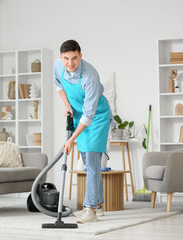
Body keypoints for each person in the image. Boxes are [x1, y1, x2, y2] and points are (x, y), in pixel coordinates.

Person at [53, 40, 112, 223]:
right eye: (66, 58)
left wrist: (71, 140)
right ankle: (98, 205)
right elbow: (58, 85)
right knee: (87, 161)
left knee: (92, 162)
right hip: (79, 114)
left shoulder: (90, 77)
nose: (70, 63)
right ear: (61, 57)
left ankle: (90, 210)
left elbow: (89, 114)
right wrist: (67, 105)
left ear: (81, 55)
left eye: (74, 58)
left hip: (97, 117)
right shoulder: (58, 66)